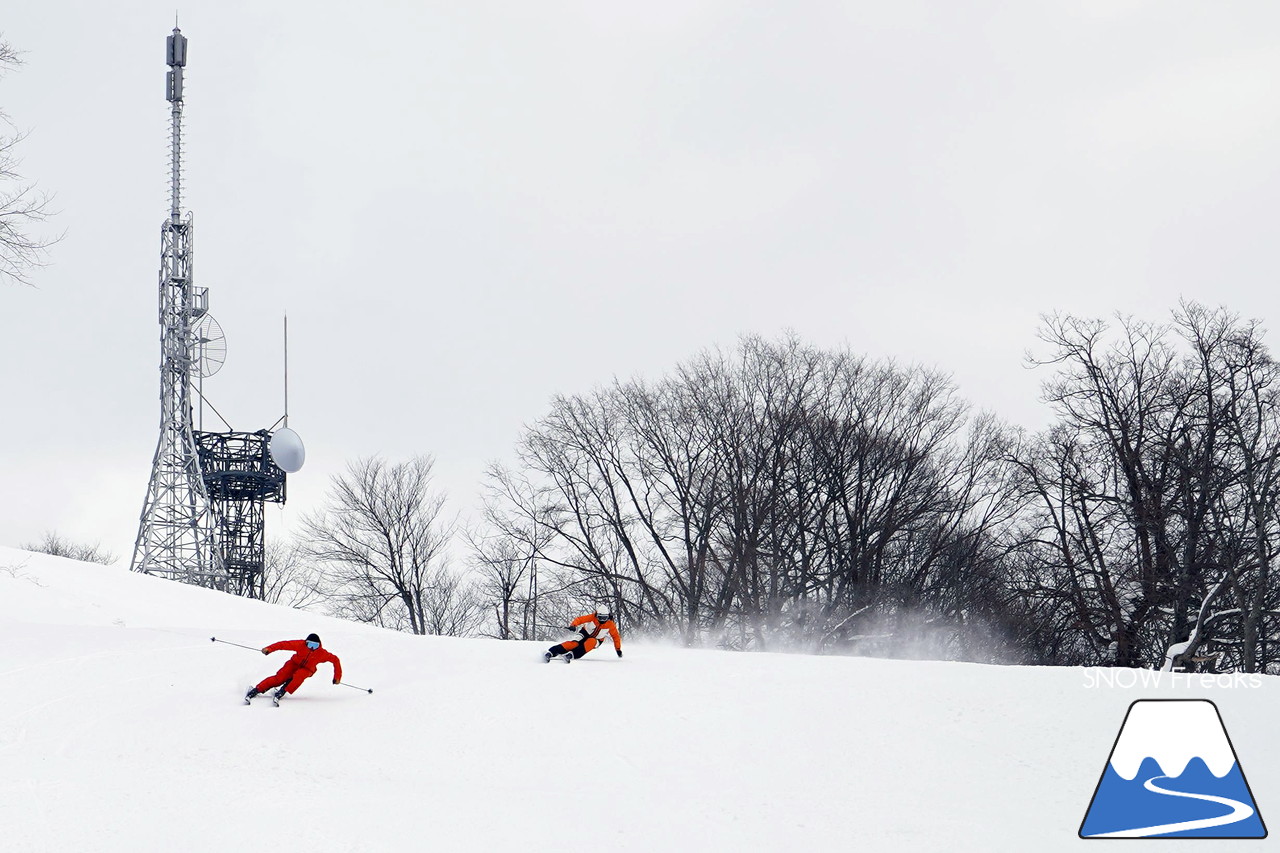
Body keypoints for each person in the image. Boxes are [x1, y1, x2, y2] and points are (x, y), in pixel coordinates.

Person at [244, 633, 342, 702]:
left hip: (307, 669)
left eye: (315, 645)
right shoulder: (300, 644)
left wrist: (337, 677)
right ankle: (257, 689)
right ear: (306, 642)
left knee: (299, 676)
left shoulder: (322, 653)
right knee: (279, 678)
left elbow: (336, 660)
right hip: (294, 663)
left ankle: (283, 690)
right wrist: (269, 649)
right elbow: (283, 644)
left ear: (319, 645)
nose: (312, 647)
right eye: (310, 644)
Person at [543, 607, 622, 663]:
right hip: (585, 633)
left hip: (597, 639)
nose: (602, 620)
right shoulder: (592, 617)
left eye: (604, 618)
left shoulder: (610, 625)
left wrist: (618, 649)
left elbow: (616, 637)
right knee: (574, 644)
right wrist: (573, 625)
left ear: (608, 616)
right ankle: (551, 652)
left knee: (591, 641)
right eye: (600, 617)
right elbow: (580, 619)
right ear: (597, 615)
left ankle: (573, 654)